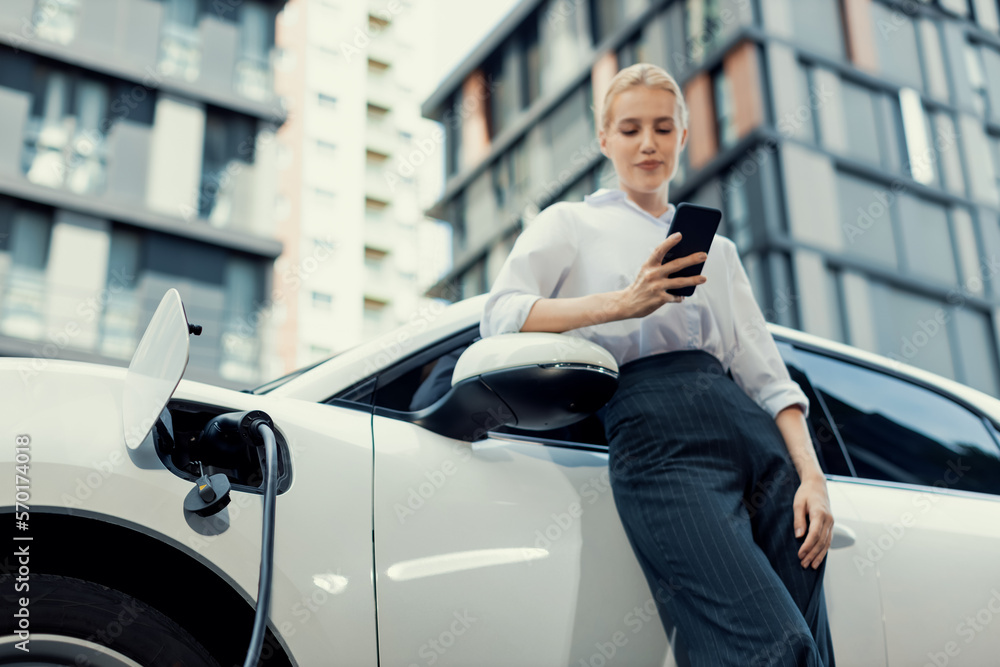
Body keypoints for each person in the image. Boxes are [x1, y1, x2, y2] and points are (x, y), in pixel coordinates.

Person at [478, 63, 836, 666]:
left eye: (664, 128)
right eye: (631, 129)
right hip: (660, 440)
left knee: (810, 652)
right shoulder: (571, 223)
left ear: (683, 136)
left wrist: (813, 478)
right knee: (775, 647)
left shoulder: (717, 251)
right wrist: (626, 302)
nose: (648, 143)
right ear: (604, 140)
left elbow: (768, 377)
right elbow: (500, 315)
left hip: (758, 446)